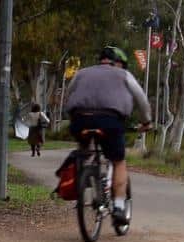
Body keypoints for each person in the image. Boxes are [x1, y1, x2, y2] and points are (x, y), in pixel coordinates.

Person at [65, 46, 152, 224]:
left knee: (84, 150)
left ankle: (83, 178)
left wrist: (73, 116)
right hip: (110, 121)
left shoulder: (81, 73)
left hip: (80, 119)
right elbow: (141, 99)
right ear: (116, 62)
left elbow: (69, 94)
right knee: (118, 161)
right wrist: (146, 122)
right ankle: (119, 207)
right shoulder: (124, 75)